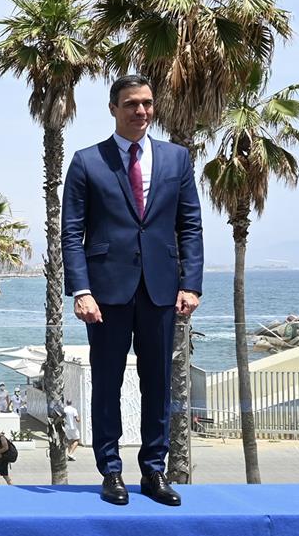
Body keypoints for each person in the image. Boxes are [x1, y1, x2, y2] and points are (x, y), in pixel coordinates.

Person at [62, 74, 203, 506]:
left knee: (157, 382)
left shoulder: (177, 159)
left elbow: (190, 225)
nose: (141, 111)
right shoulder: (88, 161)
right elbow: (72, 233)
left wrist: (191, 284)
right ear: (113, 108)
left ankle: (154, 471)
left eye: (147, 102)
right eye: (131, 104)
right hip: (106, 293)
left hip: (161, 290)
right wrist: (80, 289)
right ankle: (111, 471)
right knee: (107, 381)